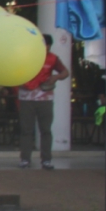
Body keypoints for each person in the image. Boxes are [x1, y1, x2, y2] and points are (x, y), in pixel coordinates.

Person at [15, 33, 68, 169]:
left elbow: (65, 72)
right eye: (44, 45)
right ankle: (25, 159)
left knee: (45, 130)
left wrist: (55, 77)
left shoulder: (53, 58)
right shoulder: (24, 56)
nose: (46, 48)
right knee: (26, 130)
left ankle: (46, 160)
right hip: (26, 98)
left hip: (45, 98)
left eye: (48, 46)